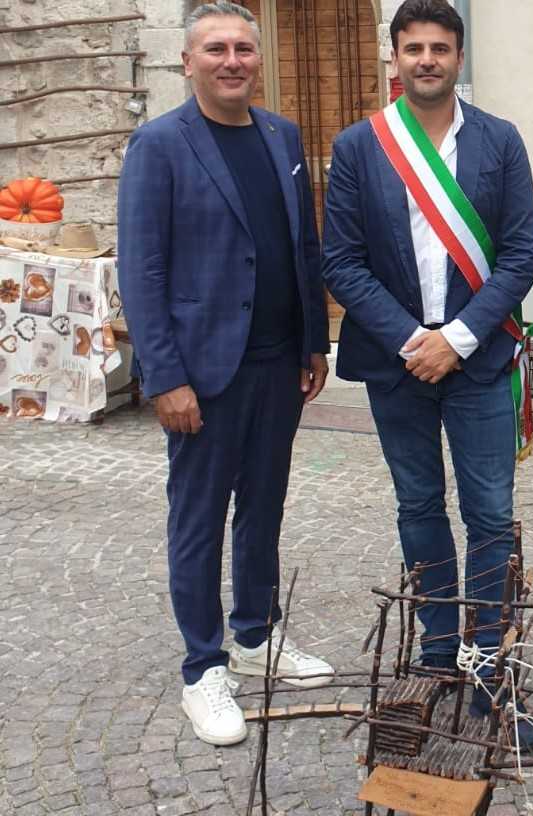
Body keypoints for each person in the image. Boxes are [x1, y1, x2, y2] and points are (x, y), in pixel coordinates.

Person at [319, 0, 533, 733]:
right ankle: (439, 652)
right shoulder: (359, 146)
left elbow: (519, 253)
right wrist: (416, 340)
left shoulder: (501, 143)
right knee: (418, 507)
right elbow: (341, 263)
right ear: (395, 57)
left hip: (476, 365)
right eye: (412, 47)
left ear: (458, 56)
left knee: (489, 516)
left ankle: (487, 663)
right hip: (398, 365)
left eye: (439, 48)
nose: (425, 60)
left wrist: (462, 338)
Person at [117, 1, 333, 747]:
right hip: (203, 371)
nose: (233, 60)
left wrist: (314, 340)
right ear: (188, 62)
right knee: (199, 518)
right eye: (216, 49)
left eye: (244, 47)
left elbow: (300, 245)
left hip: (278, 363)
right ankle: (202, 667)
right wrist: (163, 375)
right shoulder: (159, 144)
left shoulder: (281, 135)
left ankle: (255, 632)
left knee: (264, 507)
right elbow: (141, 272)